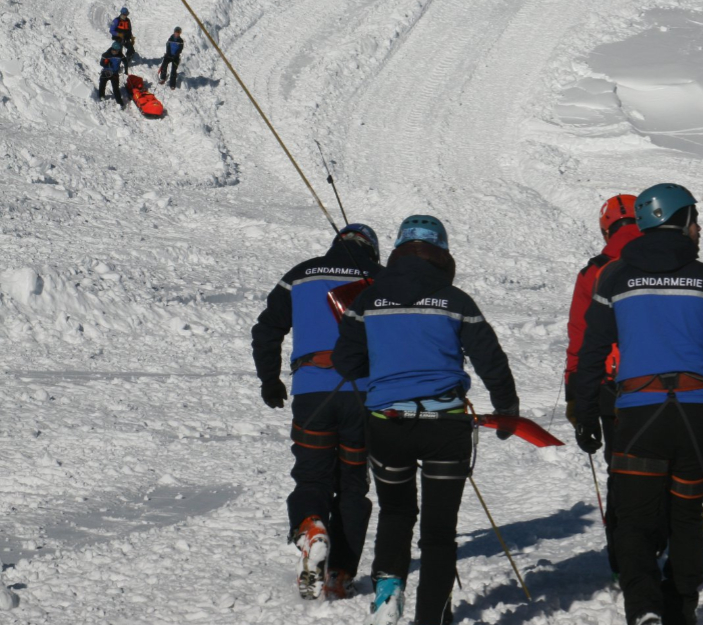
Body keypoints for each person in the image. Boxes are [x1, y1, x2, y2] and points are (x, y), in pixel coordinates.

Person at [575, 184, 703, 625]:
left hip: (639, 413)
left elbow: (591, 351)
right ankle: (680, 610)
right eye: (694, 219)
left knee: (636, 522)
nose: (698, 228)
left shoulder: (614, 278)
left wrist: (586, 413)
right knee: (687, 518)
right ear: (678, 219)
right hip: (697, 415)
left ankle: (643, 610)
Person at [333, 215, 520, 625]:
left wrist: (384, 361)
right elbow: (491, 358)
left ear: (398, 249)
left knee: (395, 512)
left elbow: (345, 361)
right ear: (443, 253)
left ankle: (388, 594)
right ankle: (432, 618)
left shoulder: (368, 300)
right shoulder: (456, 300)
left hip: (387, 424)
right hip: (445, 426)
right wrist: (507, 409)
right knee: (439, 531)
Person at [250, 223, 382, 600]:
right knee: (353, 486)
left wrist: (270, 379)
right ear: (372, 250)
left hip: (312, 393)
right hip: (363, 394)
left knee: (312, 478)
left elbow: (266, 329)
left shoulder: (301, 274)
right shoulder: (382, 279)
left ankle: (311, 529)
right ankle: (339, 575)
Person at [563, 193, 642, 579]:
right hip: (668, 385)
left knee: (622, 472)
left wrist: (577, 397)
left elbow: (580, 336)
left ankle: (625, 555)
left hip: (612, 388)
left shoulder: (593, 271)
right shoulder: (669, 262)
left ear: (605, 227)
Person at [98, 41, 126, 107]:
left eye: (116, 50)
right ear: (111, 48)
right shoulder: (105, 55)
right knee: (102, 84)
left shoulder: (120, 55)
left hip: (115, 73)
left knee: (116, 88)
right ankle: (101, 96)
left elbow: (125, 61)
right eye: (113, 50)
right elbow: (101, 64)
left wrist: (126, 70)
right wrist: (106, 62)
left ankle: (119, 101)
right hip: (105, 72)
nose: (114, 52)